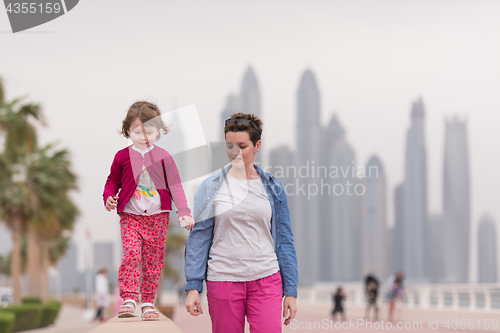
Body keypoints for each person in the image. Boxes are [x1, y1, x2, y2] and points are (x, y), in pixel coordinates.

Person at [184, 113, 298, 333]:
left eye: (242, 146)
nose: (234, 153)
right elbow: (199, 238)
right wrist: (193, 286)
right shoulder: (209, 188)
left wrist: (291, 290)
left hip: (266, 279)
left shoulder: (274, 188)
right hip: (223, 280)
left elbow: (284, 239)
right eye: (229, 146)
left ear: (257, 146)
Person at [103, 101, 195, 321]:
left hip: (157, 219)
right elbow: (112, 181)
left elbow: (175, 185)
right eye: (137, 132)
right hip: (131, 216)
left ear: (158, 132)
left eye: (149, 131)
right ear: (127, 131)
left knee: (154, 262)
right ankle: (128, 299)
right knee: (132, 254)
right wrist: (108, 197)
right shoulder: (122, 157)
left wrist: (183, 210)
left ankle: (147, 302)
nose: (143, 137)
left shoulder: (164, 157)